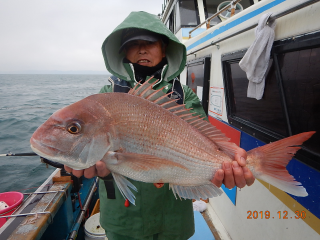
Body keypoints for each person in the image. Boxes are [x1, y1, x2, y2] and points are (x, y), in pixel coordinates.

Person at [65, 11, 255, 240]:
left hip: (173, 217)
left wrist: (229, 159)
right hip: (124, 219)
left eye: (150, 43)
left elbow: (210, 144)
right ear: (124, 51)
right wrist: (93, 165)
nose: (142, 49)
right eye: (133, 44)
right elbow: (98, 153)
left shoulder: (183, 95)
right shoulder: (107, 97)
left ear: (164, 49)